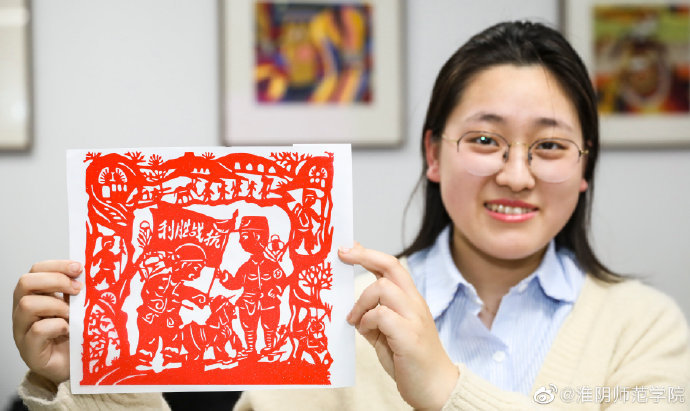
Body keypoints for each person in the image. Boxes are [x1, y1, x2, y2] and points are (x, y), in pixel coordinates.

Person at [12, 21, 690, 410]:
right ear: (434, 153)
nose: (516, 174)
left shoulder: (645, 327)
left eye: (550, 146)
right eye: (485, 139)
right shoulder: (328, 316)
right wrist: (88, 377)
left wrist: (446, 388)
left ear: (585, 166)